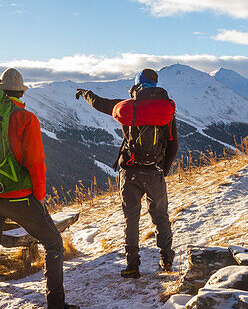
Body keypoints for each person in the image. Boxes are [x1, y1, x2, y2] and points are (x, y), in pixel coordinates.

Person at [0, 68, 81, 309]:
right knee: (54, 242)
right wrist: (40, 197)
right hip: (19, 197)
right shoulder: (25, 118)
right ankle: (56, 308)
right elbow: (36, 162)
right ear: (21, 93)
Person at [76, 68, 177, 278]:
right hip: (154, 172)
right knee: (160, 216)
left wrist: (86, 93)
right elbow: (173, 145)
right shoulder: (165, 109)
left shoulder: (128, 107)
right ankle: (166, 259)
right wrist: (162, 169)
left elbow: (100, 104)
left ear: (137, 84)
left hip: (130, 172)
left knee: (131, 219)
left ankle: (132, 265)